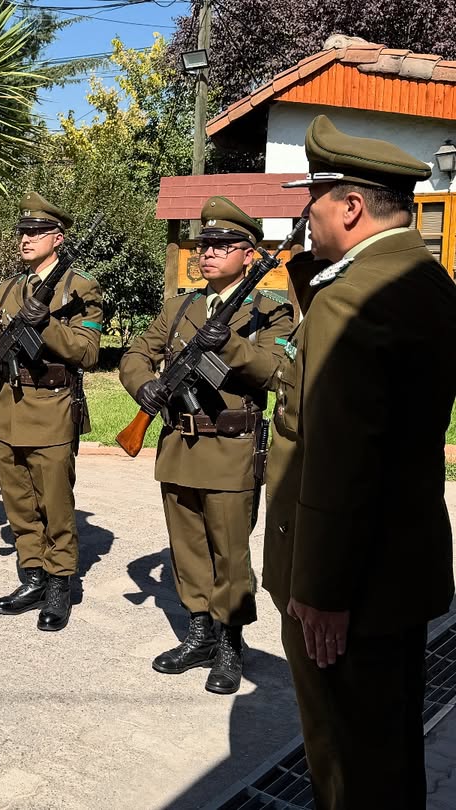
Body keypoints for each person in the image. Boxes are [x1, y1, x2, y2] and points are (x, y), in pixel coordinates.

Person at [264, 115, 456, 807]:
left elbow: (341, 458)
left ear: (349, 206)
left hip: (351, 584)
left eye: (312, 199)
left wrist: (320, 589)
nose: (304, 215)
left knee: (347, 764)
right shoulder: (423, 279)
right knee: (387, 746)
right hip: (396, 568)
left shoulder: (353, 298)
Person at [119, 196, 293, 693]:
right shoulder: (181, 307)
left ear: (248, 253)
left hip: (232, 450)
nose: (208, 252)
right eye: (203, 244)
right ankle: (198, 633)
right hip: (178, 443)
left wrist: (230, 346)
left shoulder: (269, 311)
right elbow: (136, 353)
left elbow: (278, 372)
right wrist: (143, 386)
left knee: (230, 554)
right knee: (188, 549)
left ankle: (230, 642)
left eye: (222, 244)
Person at [0, 192, 103, 631]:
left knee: (55, 504)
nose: (25, 239)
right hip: (9, 406)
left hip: (53, 407)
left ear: (57, 239)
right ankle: (32, 574)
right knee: (19, 502)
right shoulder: (10, 288)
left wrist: (47, 324)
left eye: (36, 232)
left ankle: (60, 584)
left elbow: (88, 351)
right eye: (22, 232)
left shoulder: (79, 288)